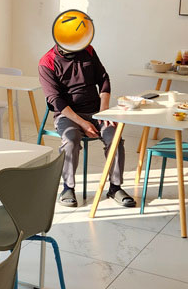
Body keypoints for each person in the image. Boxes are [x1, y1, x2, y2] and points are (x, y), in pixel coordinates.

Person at [38, 43, 135, 207]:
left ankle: (115, 187)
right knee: (70, 140)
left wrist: (103, 111)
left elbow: (103, 79)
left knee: (115, 138)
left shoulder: (87, 49)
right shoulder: (46, 62)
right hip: (67, 115)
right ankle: (67, 188)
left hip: (96, 112)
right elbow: (55, 100)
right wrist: (83, 123)